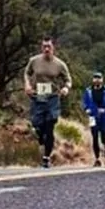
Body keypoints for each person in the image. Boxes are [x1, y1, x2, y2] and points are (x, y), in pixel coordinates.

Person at [23, 38, 72, 168]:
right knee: (37, 125)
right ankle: (41, 138)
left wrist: (66, 88)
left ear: (53, 48)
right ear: (41, 48)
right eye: (44, 46)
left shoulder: (60, 64)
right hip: (38, 96)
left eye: (49, 46)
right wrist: (27, 85)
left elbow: (68, 79)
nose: (46, 49)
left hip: (53, 97)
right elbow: (27, 73)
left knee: (50, 125)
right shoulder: (34, 61)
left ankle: (46, 158)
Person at [81, 71, 105, 166]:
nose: (97, 80)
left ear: (102, 80)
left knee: (104, 135)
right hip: (93, 116)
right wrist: (86, 109)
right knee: (95, 137)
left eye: (99, 78)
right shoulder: (88, 91)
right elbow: (84, 102)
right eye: (95, 78)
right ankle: (97, 158)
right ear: (93, 80)